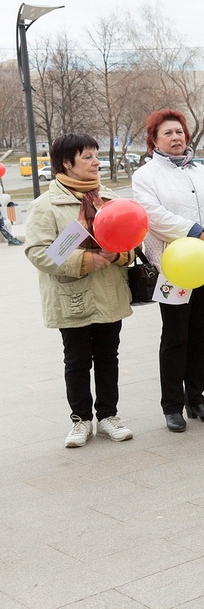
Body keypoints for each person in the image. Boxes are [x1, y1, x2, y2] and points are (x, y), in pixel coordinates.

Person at [25, 133, 134, 446]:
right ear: (65, 163)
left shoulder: (109, 199)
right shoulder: (46, 205)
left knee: (107, 357)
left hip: (108, 291)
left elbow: (131, 241)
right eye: (87, 157)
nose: (96, 162)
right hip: (70, 296)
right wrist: (83, 257)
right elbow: (38, 252)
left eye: (96, 156)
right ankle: (81, 420)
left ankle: (108, 416)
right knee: (76, 360)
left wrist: (120, 253)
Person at [132, 110, 204, 432]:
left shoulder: (203, 170)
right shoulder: (146, 175)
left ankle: (197, 398)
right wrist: (195, 231)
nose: (176, 138)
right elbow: (153, 216)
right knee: (175, 337)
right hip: (173, 267)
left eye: (179, 132)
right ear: (154, 140)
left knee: (200, 334)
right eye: (167, 134)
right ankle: (172, 405)